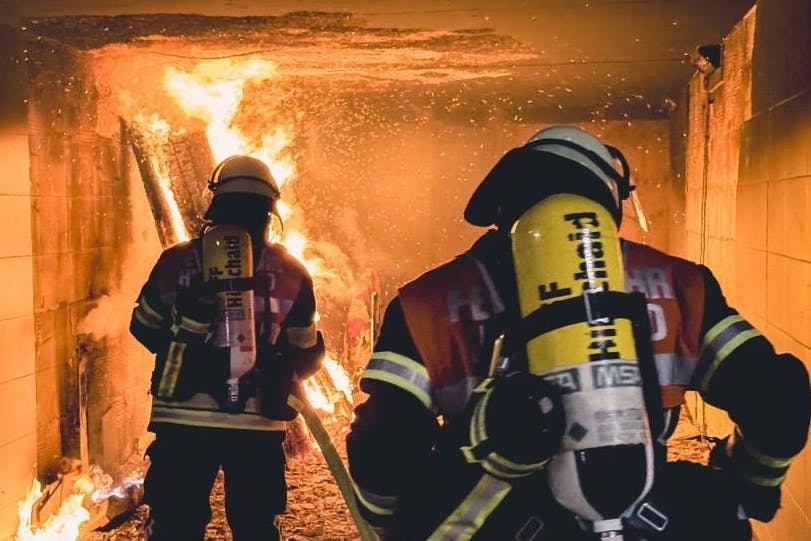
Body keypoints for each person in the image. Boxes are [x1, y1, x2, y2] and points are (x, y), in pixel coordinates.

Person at [346, 126, 811, 540]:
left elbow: (381, 444)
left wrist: (389, 522)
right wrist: (748, 484)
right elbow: (779, 396)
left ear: (505, 204)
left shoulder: (427, 301)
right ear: (608, 199)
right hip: (643, 517)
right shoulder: (680, 284)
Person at [130, 155, 325, 541]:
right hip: (256, 427)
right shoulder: (292, 272)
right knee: (255, 526)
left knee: (175, 526)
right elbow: (305, 350)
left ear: (216, 204)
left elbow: (144, 327)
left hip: (182, 426)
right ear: (270, 211)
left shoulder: (176, 261)